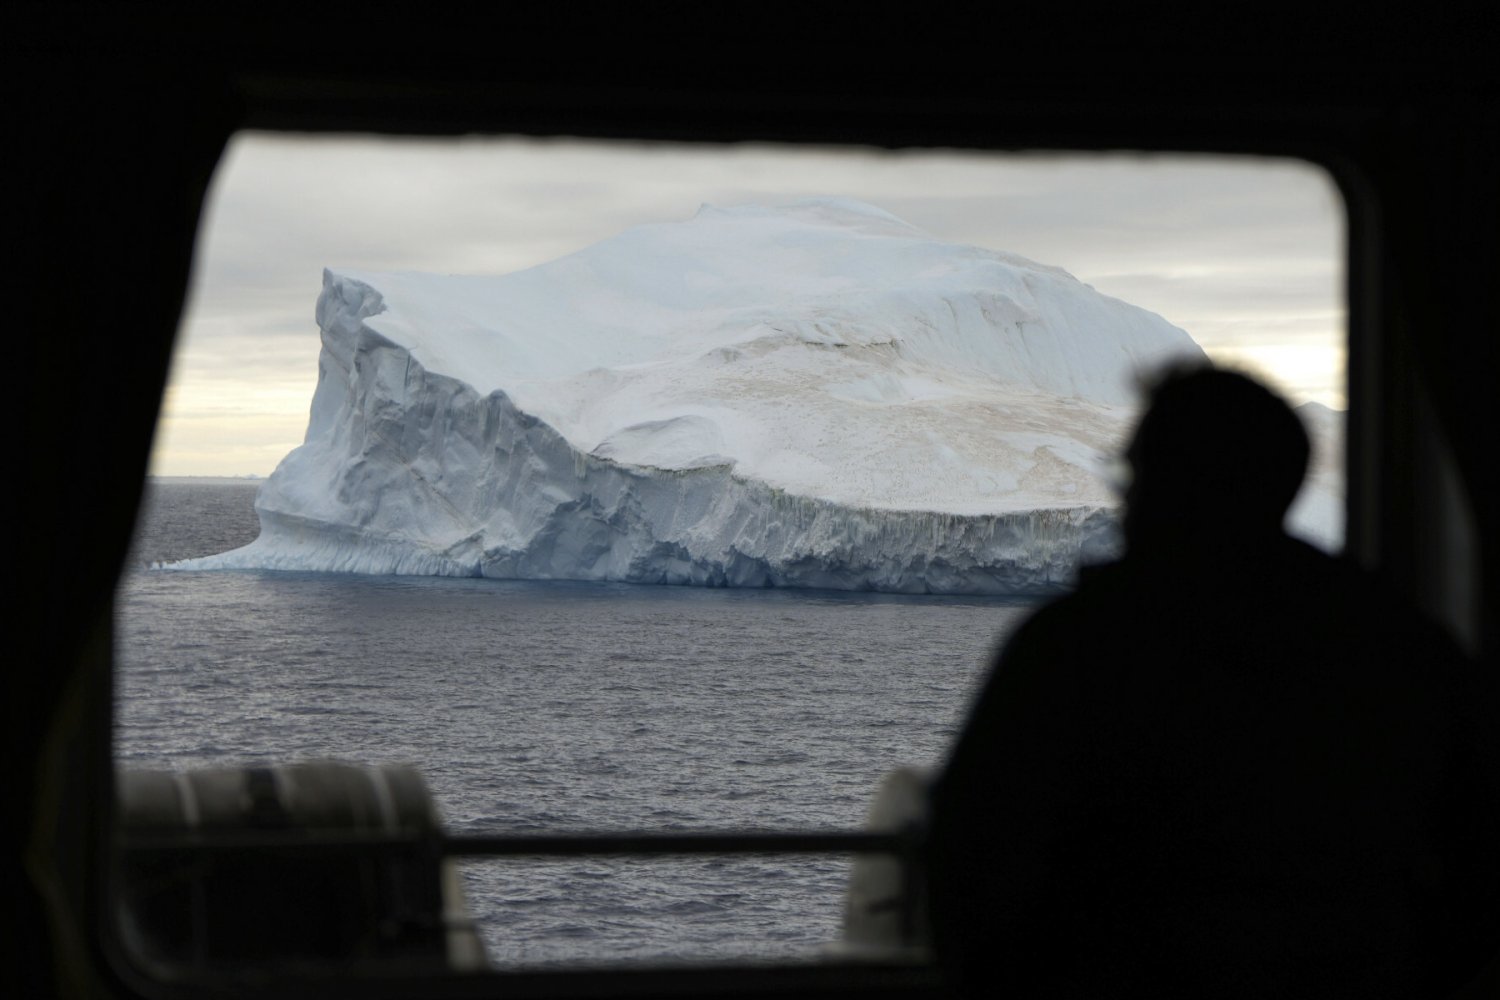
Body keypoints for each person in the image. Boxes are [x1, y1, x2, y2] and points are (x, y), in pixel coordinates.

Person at [928, 364, 1499, 998]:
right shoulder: (1400, 649)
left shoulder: (1078, 649)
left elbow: (974, 857)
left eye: (1137, 476)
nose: (1125, 501)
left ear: (1177, 488)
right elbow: (1478, 862)